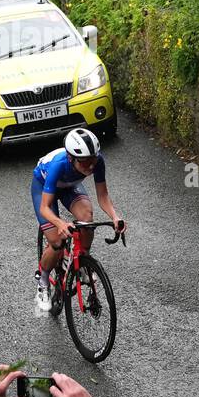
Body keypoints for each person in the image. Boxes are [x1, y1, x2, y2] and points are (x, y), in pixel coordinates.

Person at [31, 128, 125, 313]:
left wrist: (115, 217)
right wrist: (59, 223)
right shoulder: (59, 164)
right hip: (43, 186)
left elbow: (103, 196)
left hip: (69, 186)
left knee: (87, 219)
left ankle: (82, 261)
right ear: (70, 157)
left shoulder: (97, 161)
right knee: (57, 242)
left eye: (93, 161)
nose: (90, 167)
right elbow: (44, 207)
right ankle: (43, 282)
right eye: (85, 163)